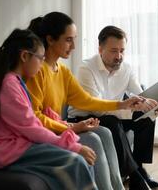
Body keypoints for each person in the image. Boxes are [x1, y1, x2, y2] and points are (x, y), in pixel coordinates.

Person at [26, 12, 145, 190]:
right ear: (50, 40)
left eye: (74, 39)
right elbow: (34, 119)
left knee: (104, 132)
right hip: (43, 134)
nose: (73, 46)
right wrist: (71, 127)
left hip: (58, 127)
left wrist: (122, 104)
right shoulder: (38, 71)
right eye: (68, 40)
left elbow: (87, 100)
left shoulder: (63, 71)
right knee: (94, 139)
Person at [0, 28, 98, 190]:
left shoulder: (14, 82)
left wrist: (53, 119)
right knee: (77, 160)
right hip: (6, 152)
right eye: (40, 58)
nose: (42, 65)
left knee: (79, 160)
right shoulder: (9, 85)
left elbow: (23, 119)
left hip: (15, 146)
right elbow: (30, 127)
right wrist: (74, 146)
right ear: (25, 56)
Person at [68, 25, 158, 190]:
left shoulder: (126, 68)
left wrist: (154, 107)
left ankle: (140, 168)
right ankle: (135, 175)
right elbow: (97, 109)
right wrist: (134, 108)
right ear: (100, 49)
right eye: (114, 51)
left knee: (146, 119)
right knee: (111, 121)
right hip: (85, 118)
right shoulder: (86, 68)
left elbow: (141, 95)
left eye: (122, 50)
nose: (119, 56)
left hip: (115, 114)